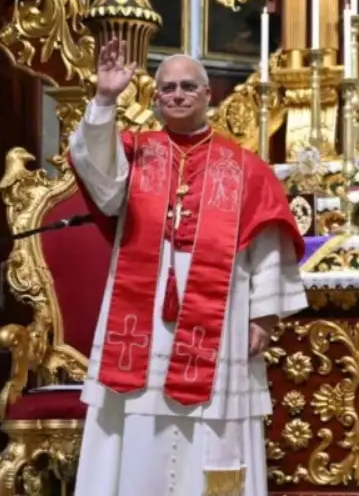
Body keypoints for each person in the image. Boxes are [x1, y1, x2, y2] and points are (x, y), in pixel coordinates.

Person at [69, 38, 308, 496]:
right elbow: (96, 174)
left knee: (214, 423)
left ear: (207, 95)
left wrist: (264, 314)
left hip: (222, 311)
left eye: (187, 87)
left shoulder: (246, 168)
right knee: (136, 413)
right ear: (155, 98)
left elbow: (269, 242)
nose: (176, 95)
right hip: (143, 314)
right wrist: (104, 98)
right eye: (167, 88)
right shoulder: (133, 153)